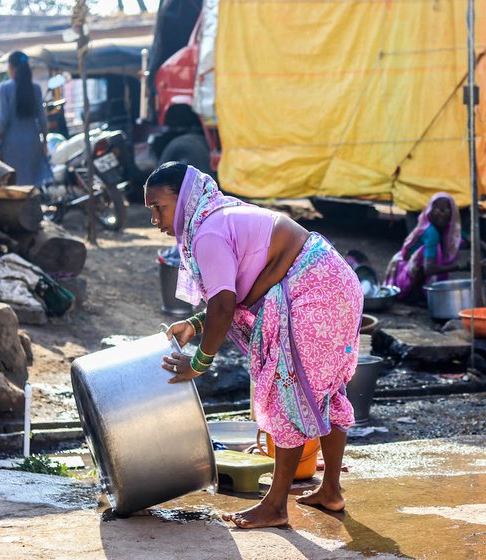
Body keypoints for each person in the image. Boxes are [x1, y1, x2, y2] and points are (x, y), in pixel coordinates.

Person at [145, 162, 363, 529]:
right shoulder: (216, 215)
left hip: (312, 289)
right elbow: (235, 295)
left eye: (159, 206)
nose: (154, 218)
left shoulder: (207, 233)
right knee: (325, 389)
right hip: (332, 280)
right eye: (149, 209)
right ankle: (330, 491)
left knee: (286, 389)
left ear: (182, 200)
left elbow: (225, 305)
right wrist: (197, 324)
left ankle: (276, 505)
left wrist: (199, 363)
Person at [384, 193, 468, 299]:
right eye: (437, 209)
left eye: (446, 209)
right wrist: (460, 267)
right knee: (434, 253)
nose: (442, 213)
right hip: (403, 273)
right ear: (430, 211)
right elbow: (429, 269)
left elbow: (467, 238)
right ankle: (414, 293)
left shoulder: (448, 229)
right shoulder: (431, 233)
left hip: (414, 268)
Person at [0, 51, 51, 186]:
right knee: (31, 184)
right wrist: (45, 143)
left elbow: (2, 120)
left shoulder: (4, 89)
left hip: (11, 145)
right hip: (32, 142)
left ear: (11, 68)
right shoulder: (35, 89)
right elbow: (43, 120)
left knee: (15, 184)